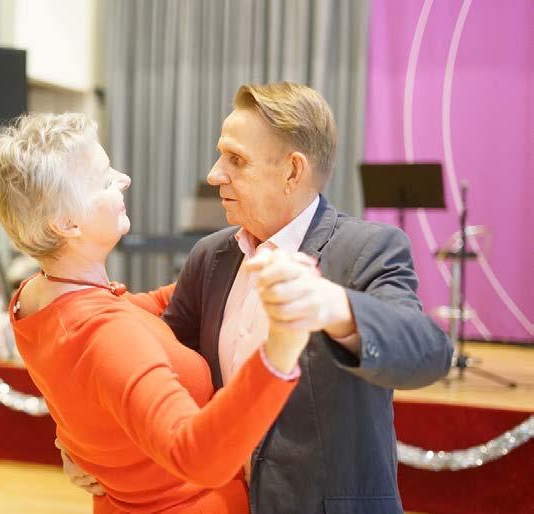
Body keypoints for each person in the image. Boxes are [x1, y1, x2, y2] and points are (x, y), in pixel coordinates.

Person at [62, 83, 453, 514]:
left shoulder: (367, 249)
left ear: (292, 171)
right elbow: (152, 364)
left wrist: (332, 306)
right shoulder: (210, 256)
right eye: (221, 156)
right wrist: (80, 444)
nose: (214, 174)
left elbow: (429, 353)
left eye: (236, 160)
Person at [0, 112, 322, 513]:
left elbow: (137, 313)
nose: (124, 179)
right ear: (66, 223)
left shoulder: (34, 299)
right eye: (104, 181)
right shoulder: (104, 334)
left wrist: (246, 268)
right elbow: (198, 458)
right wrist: (279, 352)